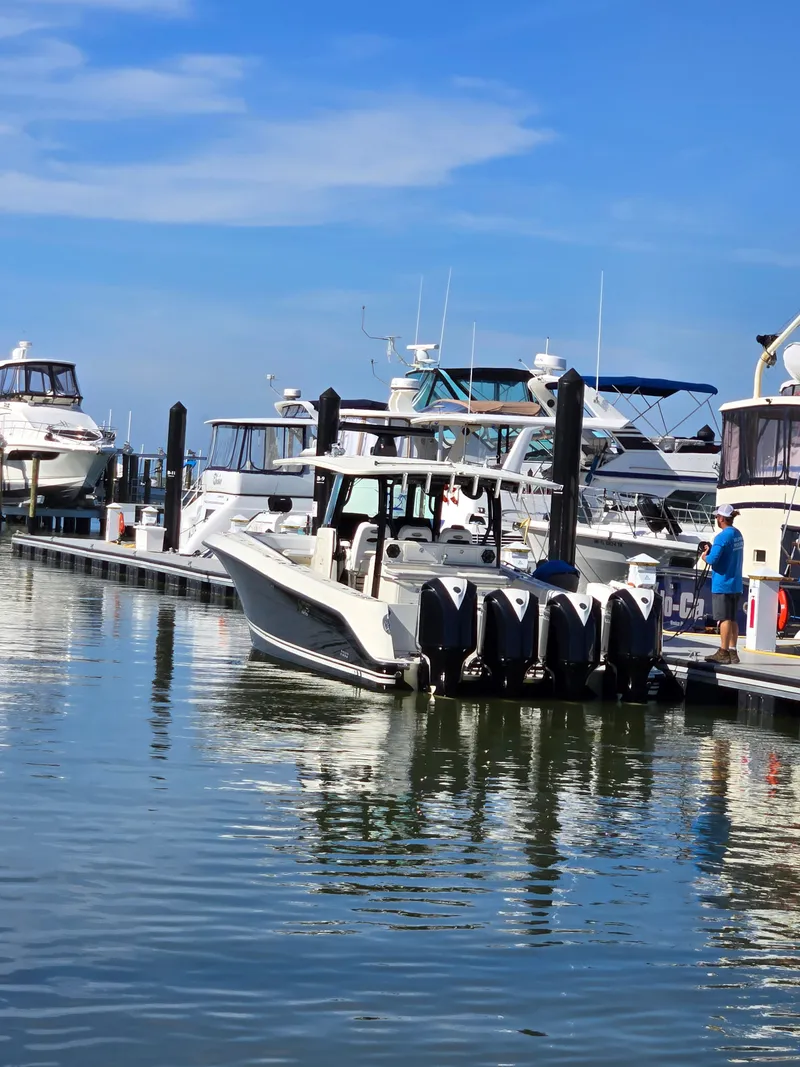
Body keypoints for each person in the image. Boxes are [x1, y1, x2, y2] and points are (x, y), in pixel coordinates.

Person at [701, 503, 744, 664]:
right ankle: (733, 651)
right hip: (736, 584)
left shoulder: (722, 537)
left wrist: (705, 556)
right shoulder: (738, 534)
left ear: (721, 519)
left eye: (717, 516)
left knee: (724, 618)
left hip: (723, 584)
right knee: (732, 618)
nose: (716, 519)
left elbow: (712, 560)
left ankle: (723, 651)